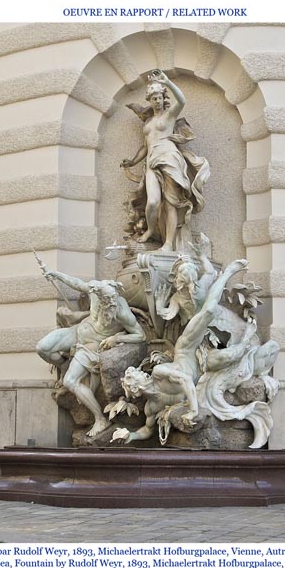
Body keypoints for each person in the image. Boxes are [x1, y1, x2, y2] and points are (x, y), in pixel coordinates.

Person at [112, 259, 248, 445]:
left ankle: (227, 272)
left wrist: (193, 409)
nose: (140, 376)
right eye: (135, 379)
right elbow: (147, 429)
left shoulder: (159, 374)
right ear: (136, 390)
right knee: (224, 355)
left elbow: (184, 380)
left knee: (208, 311)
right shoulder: (151, 407)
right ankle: (247, 342)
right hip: (199, 370)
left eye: (137, 375)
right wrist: (131, 435)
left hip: (186, 350)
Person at [36, 270, 146, 437]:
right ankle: (64, 365)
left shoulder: (121, 312)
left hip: (91, 346)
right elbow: (76, 282)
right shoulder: (94, 291)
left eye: (112, 300)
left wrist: (116, 339)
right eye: (107, 301)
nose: (110, 304)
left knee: (70, 381)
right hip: (77, 331)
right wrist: (56, 275)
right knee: (42, 347)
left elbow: (141, 336)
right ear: (98, 295)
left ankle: (100, 419)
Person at [121, 69, 210, 252]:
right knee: (152, 202)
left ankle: (168, 244)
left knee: (170, 203)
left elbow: (182, 100)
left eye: (160, 97)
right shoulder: (148, 123)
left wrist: (167, 82)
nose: (157, 101)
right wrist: (132, 161)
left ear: (163, 98)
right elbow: (146, 147)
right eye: (153, 98)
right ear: (149, 100)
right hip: (152, 162)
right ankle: (152, 230)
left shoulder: (169, 116)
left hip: (169, 159)